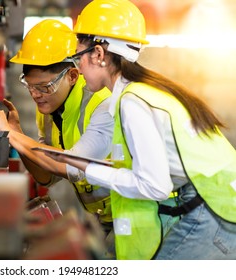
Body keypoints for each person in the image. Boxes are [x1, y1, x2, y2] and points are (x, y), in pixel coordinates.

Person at [43, 0, 236, 260]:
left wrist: (90, 169)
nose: (78, 67)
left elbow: (154, 186)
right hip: (214, 203)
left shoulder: (133, 101)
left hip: (213, 209)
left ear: (99, 54)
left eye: (79, 57)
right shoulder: (142, 91)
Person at [0, 19, 115, 249]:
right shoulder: (48, 110)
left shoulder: (102, 106)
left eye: (45, 87)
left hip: (133, 214)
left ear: (72, 76)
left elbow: (73, 167)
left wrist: (11, 135)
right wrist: (16, 132)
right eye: (30, 86)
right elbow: (46, 176)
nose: (36, 95)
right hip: (101, 218)